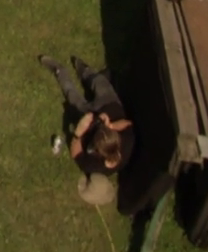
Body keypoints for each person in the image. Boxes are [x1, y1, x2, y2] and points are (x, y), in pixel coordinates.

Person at [39, 54, 136, 204]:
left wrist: (78, 133)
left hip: (87, 117)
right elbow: (128, 124)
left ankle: (58, 69)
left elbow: (75, 153)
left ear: (97, 150)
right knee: (99, 82)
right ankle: (83, 69)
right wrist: (111, 125)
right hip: (110, 105)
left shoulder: (93, 165)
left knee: (72, 95)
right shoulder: (127, 144)